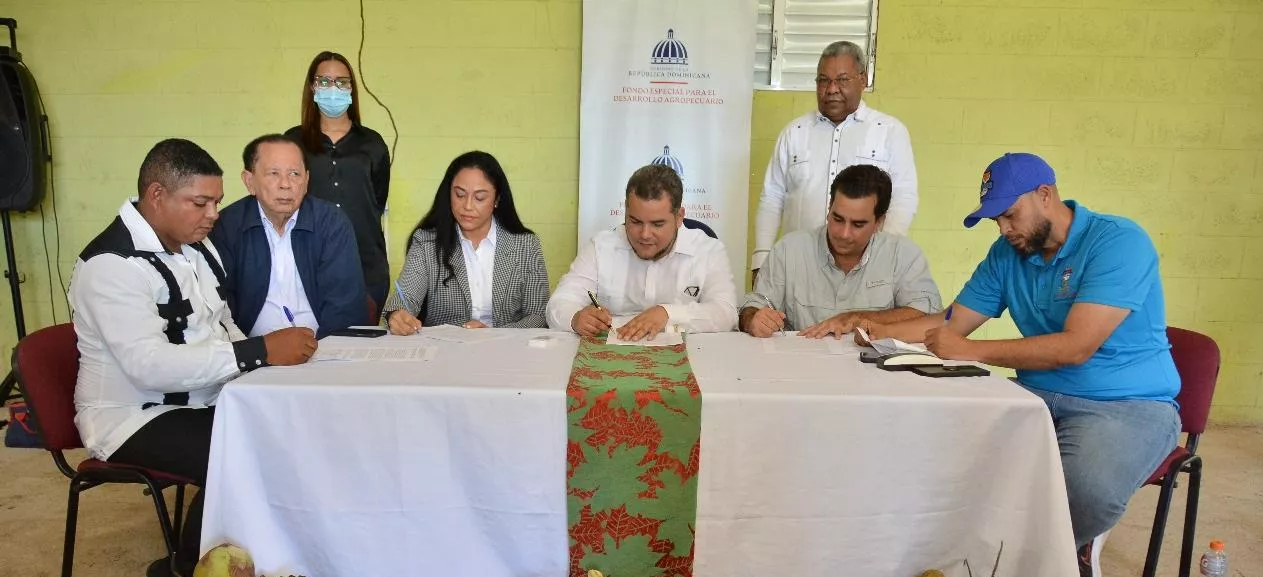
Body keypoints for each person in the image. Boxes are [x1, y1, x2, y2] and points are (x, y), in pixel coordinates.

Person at [859, 153, 1181, 577]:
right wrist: (873, 329)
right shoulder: (1008, 253)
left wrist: (972, 352)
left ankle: (1076, 543)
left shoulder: (1118, 242)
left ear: (1046, 195)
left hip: (1128, 404)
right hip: (1036, 394)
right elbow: (951, 323)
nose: (1004, 229)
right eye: (996, 220)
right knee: (932, 442)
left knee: (1083, 489)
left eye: (1010, 215)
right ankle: (975, 557)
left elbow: (1076, 346)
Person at [68, 139, 316, 577]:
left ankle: (260, 560)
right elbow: (149, 366)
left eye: (217, 202)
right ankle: (186, 572)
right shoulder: (110, 267)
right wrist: (257, 353)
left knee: (292, 427)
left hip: (202, 398)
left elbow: (223, 327)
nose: (213, 214)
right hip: (131, 417)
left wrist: (270, 369)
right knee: (240, 452)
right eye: (200, 202)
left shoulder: (196, 250)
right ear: (157, 196)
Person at [753, 41, 917, 281]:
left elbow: (903, 198)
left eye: (842, 80)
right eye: (823, 80)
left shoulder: (889, 132)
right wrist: (762, 260)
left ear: (864, 79)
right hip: (799, 268)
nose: (831, 89)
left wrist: (882, 256)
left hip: (863, 270)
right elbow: (771, 198)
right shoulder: (794, 132)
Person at [740, 164, 940, 338]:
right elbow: (753, 306)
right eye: (837, 219)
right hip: (801, 369)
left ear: (879, 222)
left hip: (874, 375)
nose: (844, 233)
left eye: (858, 224)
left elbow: (928, 315)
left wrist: (855, 318)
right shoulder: (789, 249)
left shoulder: (903, 254)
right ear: (829, 209)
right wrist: (753, 319)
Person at [547, 164, 737, 340]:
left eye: (657, 224)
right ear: (625, 213)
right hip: (614, 357)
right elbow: (558, 303)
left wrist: (667, 314)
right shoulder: (601, 247)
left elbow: (726, 313)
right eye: (636, 222)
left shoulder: (709, 250)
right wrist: (575, 318)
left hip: (685, 358)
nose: (645, 235)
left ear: (679, 217)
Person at [210, 134, 367, 338]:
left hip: (322, 350)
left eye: (295, 174)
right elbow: (220, 308)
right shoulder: (226, 226)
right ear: (249, 181)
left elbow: (345, 305)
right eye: (273, 173)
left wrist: (323, 353)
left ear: (307, 180)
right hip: (252, 355)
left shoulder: (331, 222)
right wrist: (250, 354)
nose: (285, 184)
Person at [384, 151, 549, 332]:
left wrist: (493, 334)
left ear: (497, 199)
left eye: (480, 197)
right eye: (460, 195)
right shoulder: (427, 242)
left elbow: (538, 316)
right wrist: (396, 315)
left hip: (506, 351)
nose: (467, 206)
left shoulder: (525, 245)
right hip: (444, 351)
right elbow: (405, 298)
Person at [286, 51, 391, 313]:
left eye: (342, 82)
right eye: (324, 81)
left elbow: (376, 200)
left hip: (365, 266)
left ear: (352, 89)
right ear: (312, 87)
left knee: (359, 345)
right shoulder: (293, 141)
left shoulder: (373, 143)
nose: (333, 88)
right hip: (305, 262)